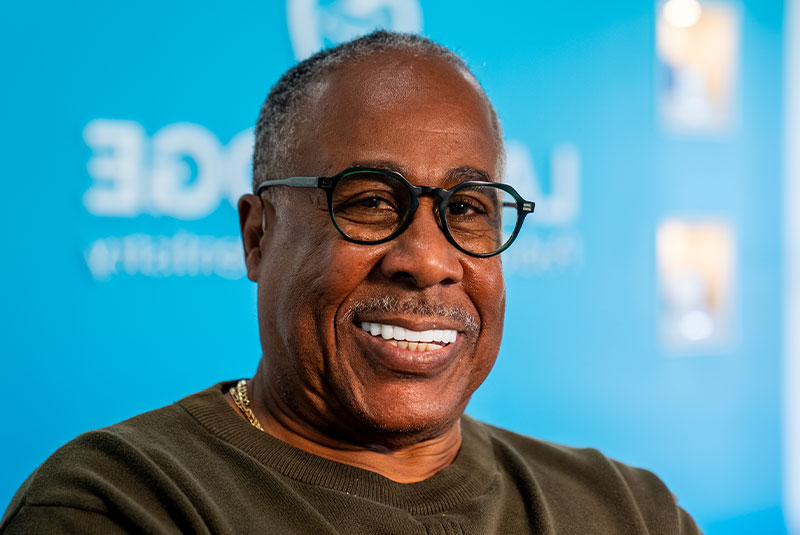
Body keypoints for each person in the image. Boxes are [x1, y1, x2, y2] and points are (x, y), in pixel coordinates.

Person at [1, 31, 700, 534]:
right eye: (369, 201)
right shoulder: (122, 503)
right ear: (257, 235)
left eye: (466, 208)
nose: (428, 260)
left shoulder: (629, 510)